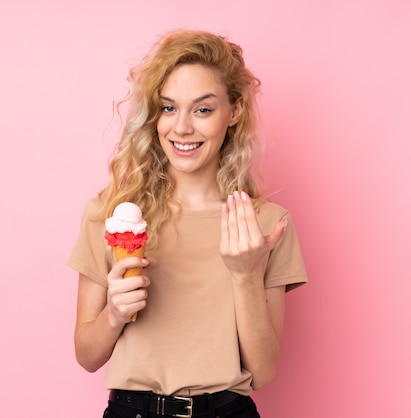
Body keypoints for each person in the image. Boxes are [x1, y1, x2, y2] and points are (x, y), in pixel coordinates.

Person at [67, 29, 307, 418]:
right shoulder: (110, 214)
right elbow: (87, 356)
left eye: (203, 109)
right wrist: (113, 313)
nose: (181, 128)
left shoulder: (265, 225)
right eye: (168, 108)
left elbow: (262, 372)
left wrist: (245, 274)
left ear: (235, 112)